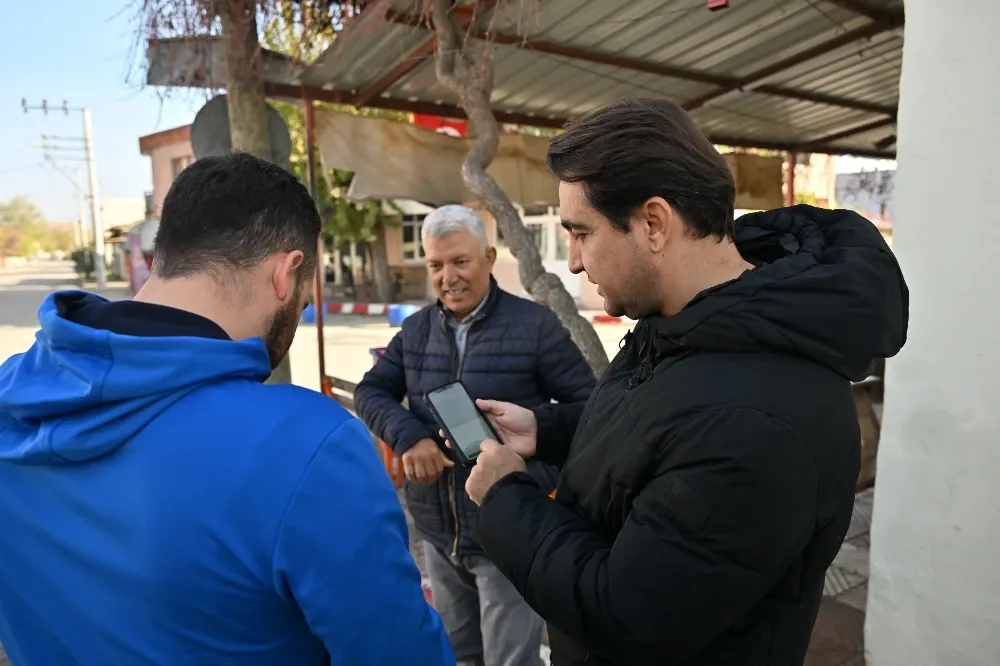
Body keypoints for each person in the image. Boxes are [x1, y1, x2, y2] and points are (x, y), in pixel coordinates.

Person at [460, 98, 909, 666]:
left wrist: (505, 499)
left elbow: (626, 614)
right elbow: (660, 429)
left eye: (581, 233)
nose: (573, 262)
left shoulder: (760, 426)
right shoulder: (693, 321)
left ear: (653, 223)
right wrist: (547, 431)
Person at [0, 152, 452, 666]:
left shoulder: (13, 398)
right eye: (303, 303)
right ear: (286, 274)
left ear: (163, 256)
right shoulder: (306, 446)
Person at [354, 205, 596, 666]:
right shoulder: (416, 329)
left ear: (488, 258)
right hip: (438, 532)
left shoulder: (536, 326)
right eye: (435, 265)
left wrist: (527, 470)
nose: (448, 278)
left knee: (510, 661)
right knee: (457, 656)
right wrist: (409, 437)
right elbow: (371, 391)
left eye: (460, 261)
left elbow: (589, 410)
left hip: (507, 531)